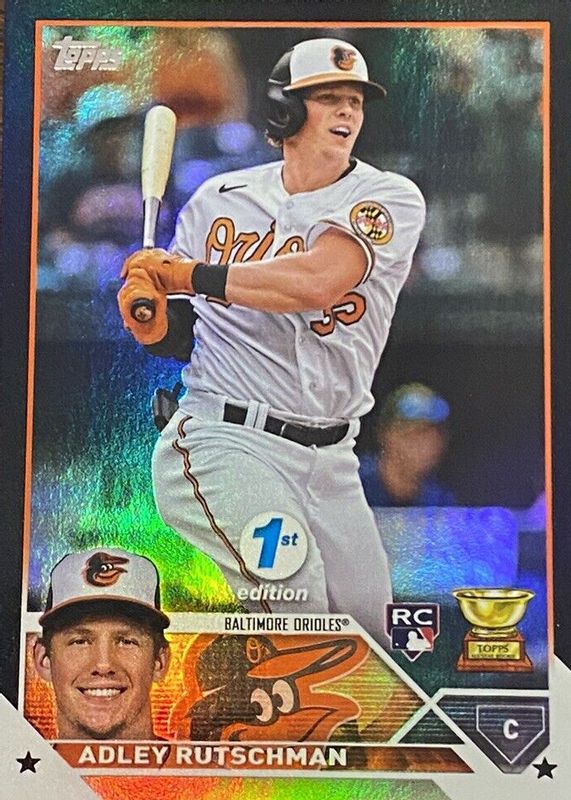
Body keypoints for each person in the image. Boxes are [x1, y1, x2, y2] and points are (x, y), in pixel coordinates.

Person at [117, 38, 426, 644]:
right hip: (226, 439)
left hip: (332, 458)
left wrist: (186, 275)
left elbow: (316, 281)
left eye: (355, 100)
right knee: (295, 595)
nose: (347, 111)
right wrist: (151, 317)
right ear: (284, 110)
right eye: (327, 97)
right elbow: (184, 332)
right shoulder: (218, 199)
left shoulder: (387, 197)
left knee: (372, 639)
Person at [33, 548, 170, 740]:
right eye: (80, 641)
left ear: (159, 662)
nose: (103, 665)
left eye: (126, 642)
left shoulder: (206, 761)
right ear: (43, 660)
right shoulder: (7, 759)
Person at [359, 383, 455, 507]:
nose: (427, 444)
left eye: (434, 434)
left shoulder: (439, 500)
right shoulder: (354, 482)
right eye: (415, 434)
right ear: (386, 434)